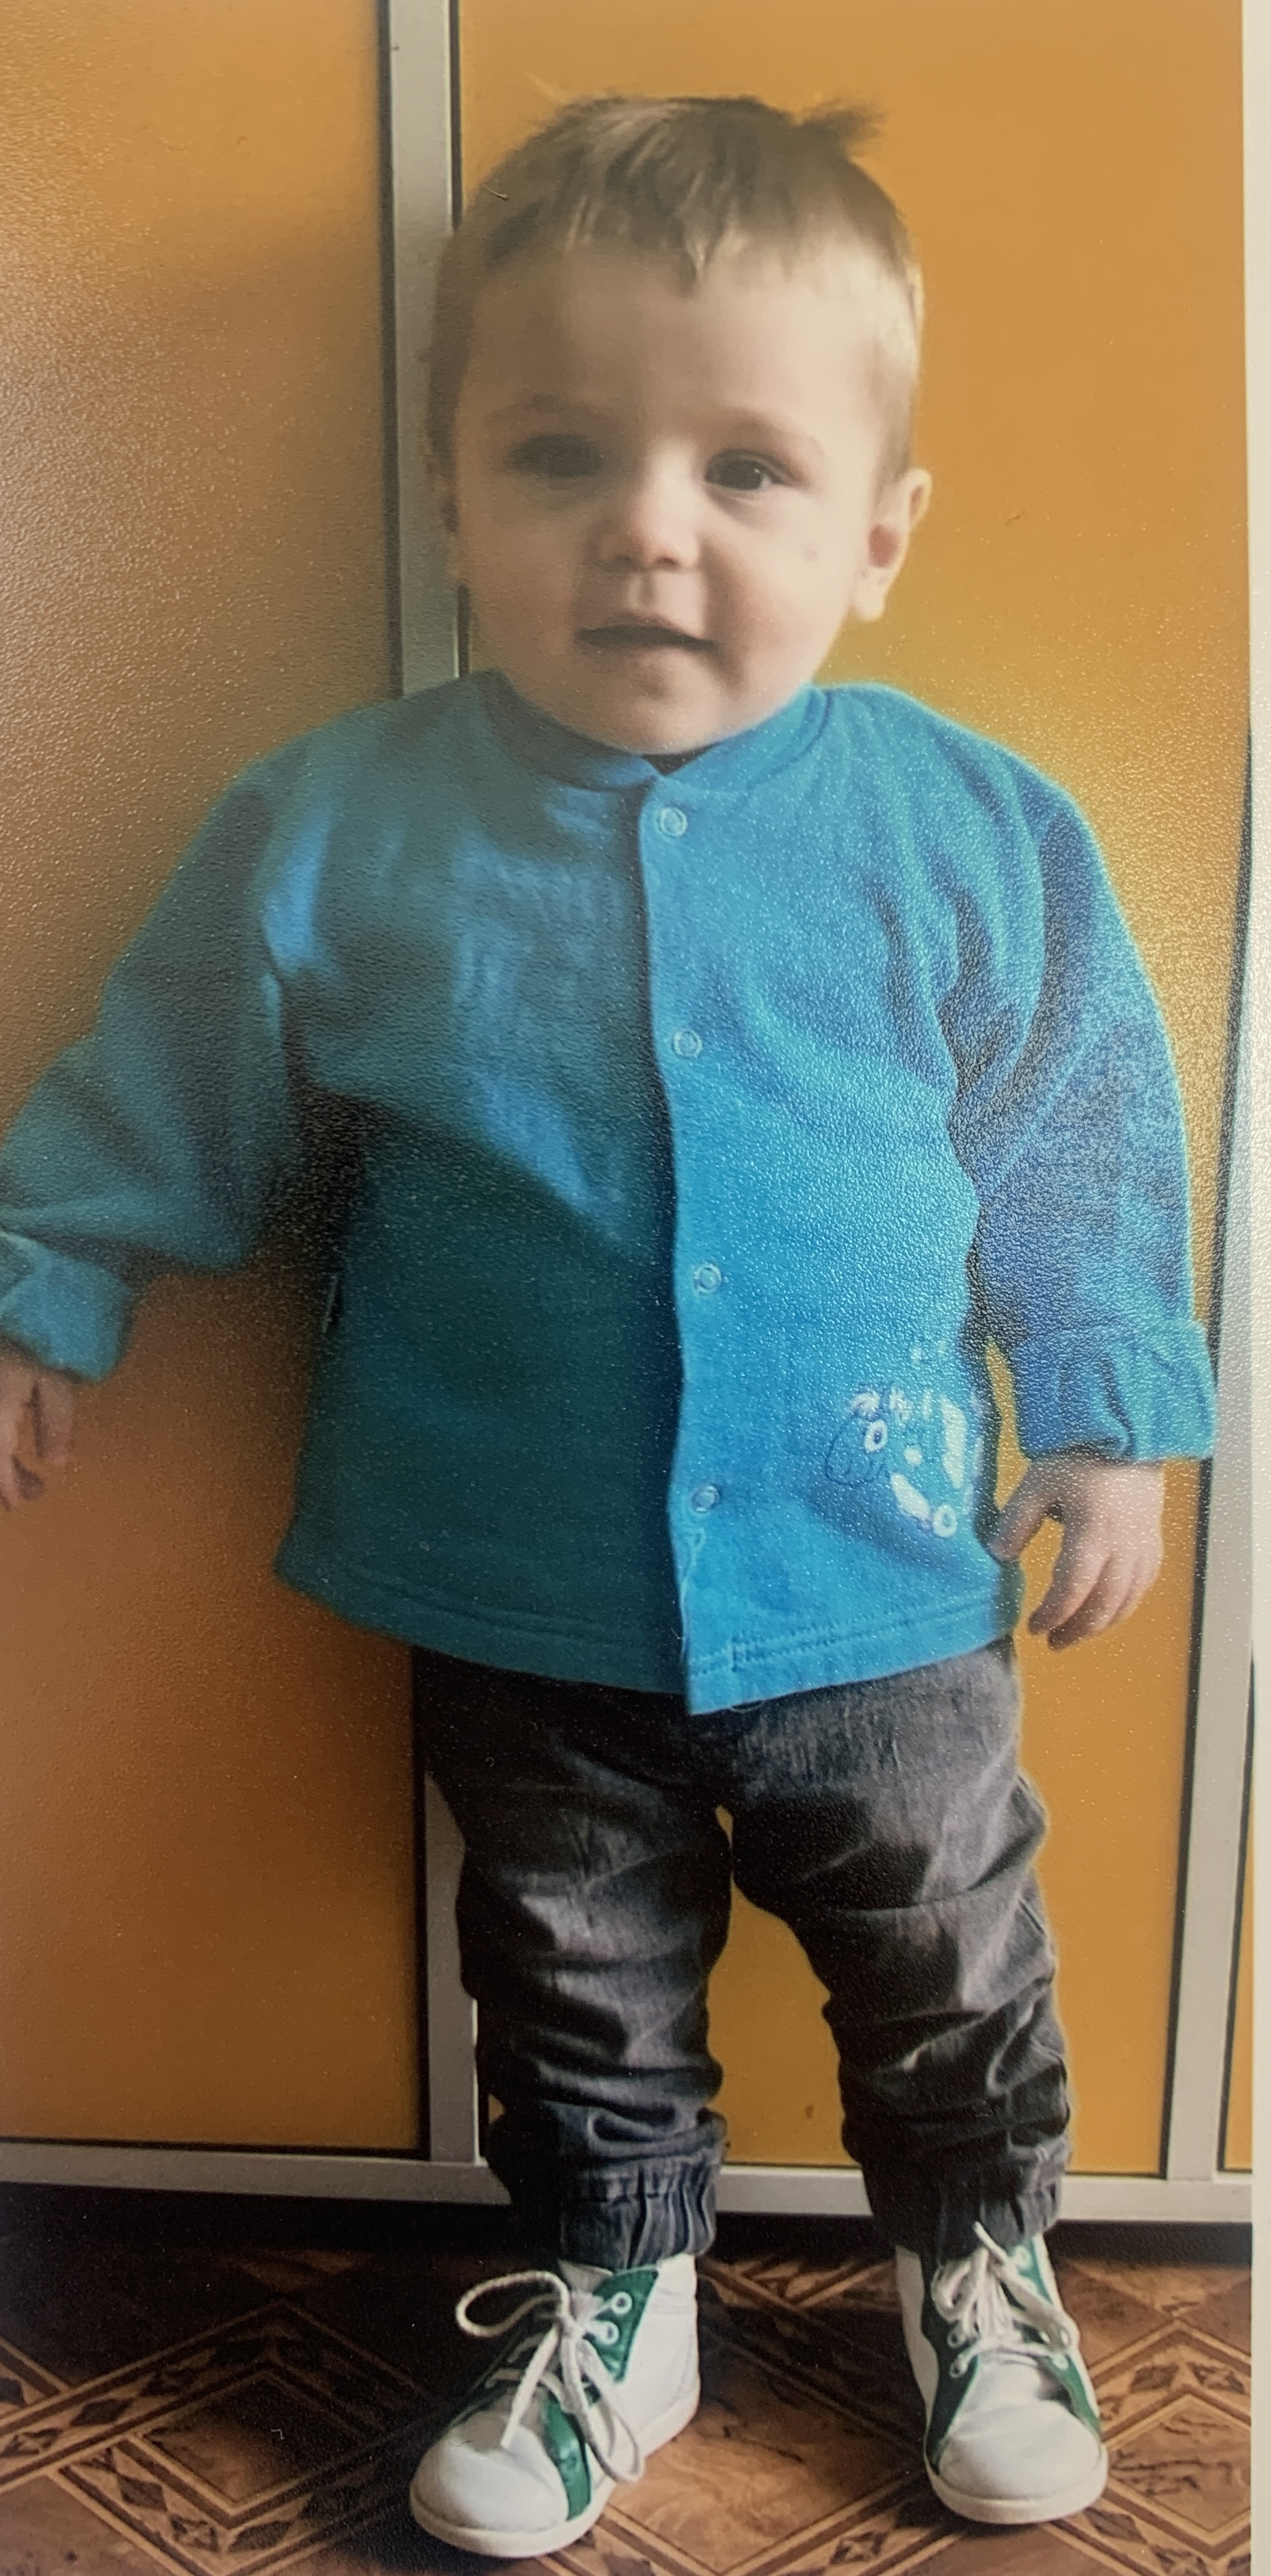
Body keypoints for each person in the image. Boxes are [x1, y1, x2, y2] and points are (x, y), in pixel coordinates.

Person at [0, 94, 1216, 2556]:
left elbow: (1077, 1135)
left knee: (943, 1946)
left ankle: (975, 2260)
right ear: (453, 499)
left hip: (881, 1565)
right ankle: (613, 2289)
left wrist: (1106, 1416)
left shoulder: (971, 829)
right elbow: (171, 1079)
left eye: (746, 469)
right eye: (560, 455)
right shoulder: (335, 822)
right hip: (512, 1572)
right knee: (567, 1975)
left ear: (877, 536)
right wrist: (51, 1272)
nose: (648, 529)